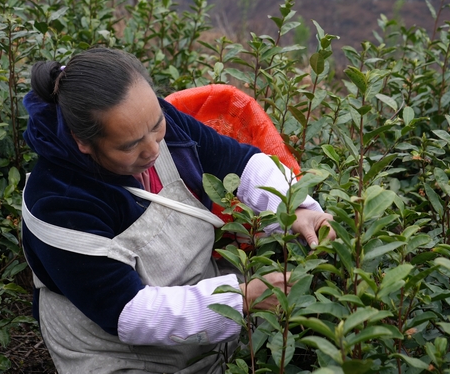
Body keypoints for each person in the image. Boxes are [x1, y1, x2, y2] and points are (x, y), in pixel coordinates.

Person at [21, 47, 334, 373]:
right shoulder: (58, 201)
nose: (154, 149)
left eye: (156, 126)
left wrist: (294, 208)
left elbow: (237, 161)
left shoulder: (161, 122)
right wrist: (241, 300)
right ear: (82, 141)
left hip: (196, 297)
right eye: (130, 145)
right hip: (113, 346)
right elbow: (127, 311)